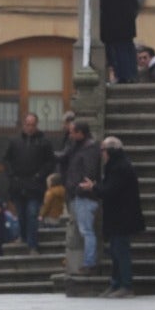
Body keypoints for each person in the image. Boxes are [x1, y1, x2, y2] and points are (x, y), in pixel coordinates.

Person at [80, 136, 145, 298]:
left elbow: (110, 190)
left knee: (121, 251)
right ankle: (116, 283)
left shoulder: (120, 167)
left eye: (103, 150)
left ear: (110, 151)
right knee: (115, 251)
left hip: (122, 217)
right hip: (117, 217)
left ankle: (126, 285)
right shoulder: (115, 166)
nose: (101, 153)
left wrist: (94, 187)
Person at [3, 111, 57, 253]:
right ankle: (24, 236)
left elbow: (50, 162)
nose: (30, 128)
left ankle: (32, 244)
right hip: (18, 184)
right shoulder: (14, 141)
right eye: (27, 124)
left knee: (32, 213)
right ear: (23, 125)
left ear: (36, 125)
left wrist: (40, 175)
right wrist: (12, 176)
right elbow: (6, 160)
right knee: (21, 213)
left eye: (33, 125)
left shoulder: (44, 142)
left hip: (35, 185)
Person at [57, 118, 102, 275]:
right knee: (83, 229)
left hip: (84, 195)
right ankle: (87, 262)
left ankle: (89, 262)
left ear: (80, 133)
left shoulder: (89, 149)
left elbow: (88, 172)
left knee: (86, 230)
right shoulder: (77, 147)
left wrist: (78, 188)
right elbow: (63, 157)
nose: (69, 135)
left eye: (72, 132)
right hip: (77, 194)